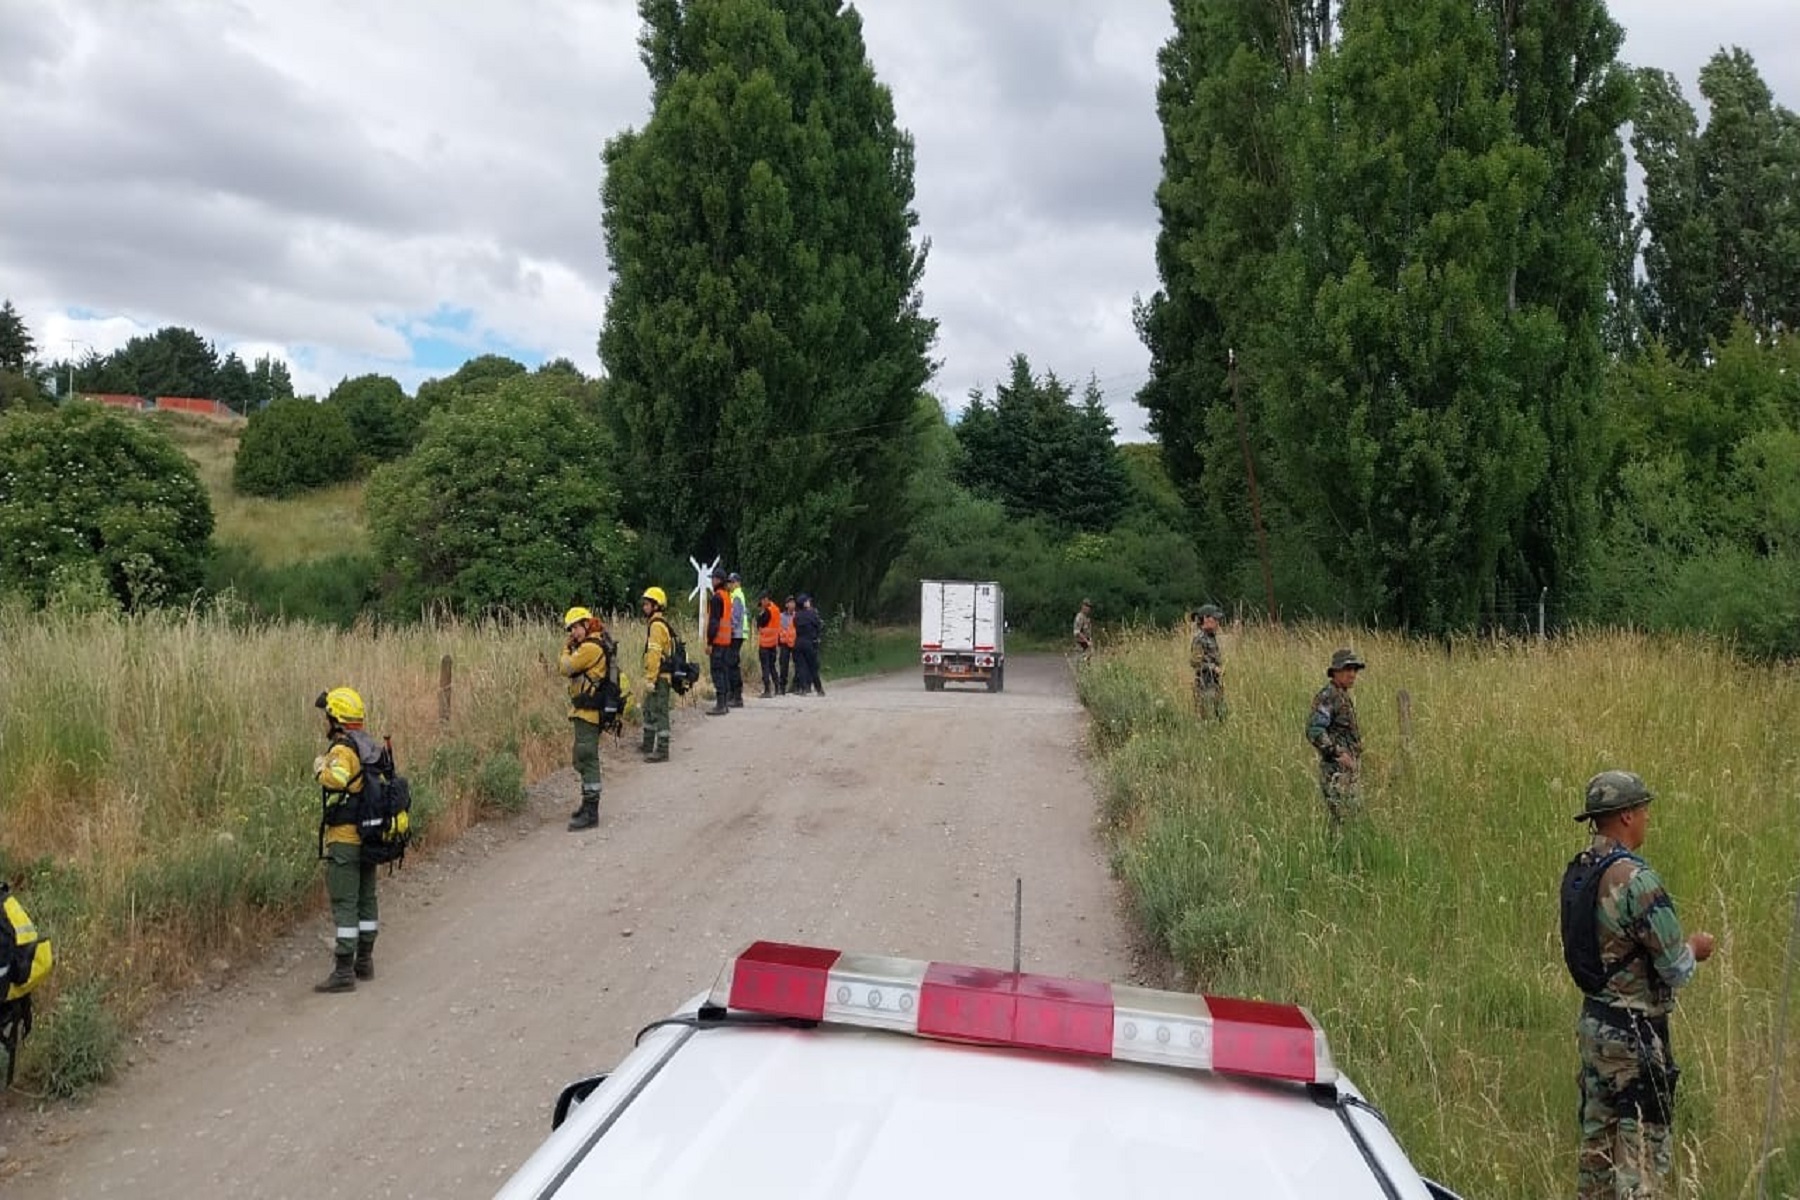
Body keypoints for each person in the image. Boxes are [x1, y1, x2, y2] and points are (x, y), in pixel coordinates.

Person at [1569, 771, 1714, 1200]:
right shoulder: (1636, 881)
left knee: (1596, 1156)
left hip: (1594, 1026)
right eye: (1644, 810)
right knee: (1641, 1167)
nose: (1648, 818)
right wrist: (1695, 947)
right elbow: (1676, 969)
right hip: (1636, 1039)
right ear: (1627, 816)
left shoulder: (1581, 872)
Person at [312, 686, 380, 992]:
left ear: (336, 719)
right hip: (370, 837)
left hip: (345, 840)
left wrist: (320, 769)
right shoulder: (369, 747)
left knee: (345, 904)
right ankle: (364, 961)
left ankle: (343, 971)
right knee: (367, 899)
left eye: (327, 716)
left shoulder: (342, 750)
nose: (324, 721)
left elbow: (337, 779)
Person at [559, 606, 610, 831]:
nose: (573, 634)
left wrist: (565, 649)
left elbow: (566, 667)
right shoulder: (593, 643)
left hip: (589, 711)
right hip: (583, 711)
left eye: (576, 628)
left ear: (586, 625)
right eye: (571, 630)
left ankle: (591, 811)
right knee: (580, 757)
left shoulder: (590, 647)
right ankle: (586, 803)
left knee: (587, 758)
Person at [1305, 648, 1364, 828]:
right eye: (1348, 669)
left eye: (1355, 670)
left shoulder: (1342, 695)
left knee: (1349, 821)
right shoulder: (1328, 696)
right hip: (1335, 772)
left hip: (1347, 771)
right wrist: (1338, 753)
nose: (1352, 674)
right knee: (1343, 821)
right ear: (1336, 671)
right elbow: (1314, 730)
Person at [639, 586, 675, 762]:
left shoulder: (656, 627)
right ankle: (647, 744)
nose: (644, 607)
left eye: (647, 604)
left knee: (660, 712)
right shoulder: (657, 624)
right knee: (649, 709)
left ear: (656, 606)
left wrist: (651, 679)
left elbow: (654, 655)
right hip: (659, 675)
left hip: (660, 676)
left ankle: (662, 749)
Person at [704, 568, 734, 716]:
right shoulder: (727, 597)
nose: (712, 581)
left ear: (718, 580)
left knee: (716, 671)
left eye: (714, 578)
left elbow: (714, 622)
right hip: (726, 641)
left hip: (717, 641)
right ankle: (725, 703)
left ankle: (720, 705)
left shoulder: (716, 598)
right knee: (724, 670)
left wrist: (709, 642)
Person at [1189, 604, 1226, 721]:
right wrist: (1213, 668)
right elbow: (1195, 662)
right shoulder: (1199, 638)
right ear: (1206, 619)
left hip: (1214, 684)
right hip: (1204, 686)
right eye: (1215, 619)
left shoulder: (1211, 637)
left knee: (1221, 716)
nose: (1217, 623)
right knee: (1207, 719)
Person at [794, 592, 824, 696]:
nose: (809, 602)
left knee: (801, 666)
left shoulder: (797, 615)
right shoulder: (812, 614)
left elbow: (795, 626)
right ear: (804, 603)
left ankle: (803, 688)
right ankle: (819, 689)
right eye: (807, 601)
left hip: (798, 642)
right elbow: (818, 626)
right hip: (808, 642)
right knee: (813, 666)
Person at [727, 571, 749, 707]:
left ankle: (737, 697)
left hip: (736, 634)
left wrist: (730, 630)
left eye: (732, 582)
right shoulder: (736, 595)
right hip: (738, 634)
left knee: (732, 664)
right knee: (732, 663)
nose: (730, 584)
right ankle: (734, 695)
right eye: (729, 582)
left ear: (737, 583)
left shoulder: (736, 595)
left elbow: (735, 616)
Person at [755, 590, 781, 698]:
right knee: (772, 666)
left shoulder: (767, 611)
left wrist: (760, 615)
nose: (761, 605)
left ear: (765, 599)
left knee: (765, 667)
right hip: (773, 643)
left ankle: (767, 690)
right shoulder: (776, 609)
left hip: (765, 643)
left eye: (761, 602)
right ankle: (778, 687)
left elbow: (761, 623)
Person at [777, 595, 797, 696]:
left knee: (797, 664)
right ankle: (782, 687)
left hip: (795, 644)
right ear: (786, 604)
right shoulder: (781, 616)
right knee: (783, 665)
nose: (792, 604)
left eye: (793, 602)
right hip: (784, 644)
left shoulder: (797, 616)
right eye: (790, 602)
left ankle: (795, 686)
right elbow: (778, 630)